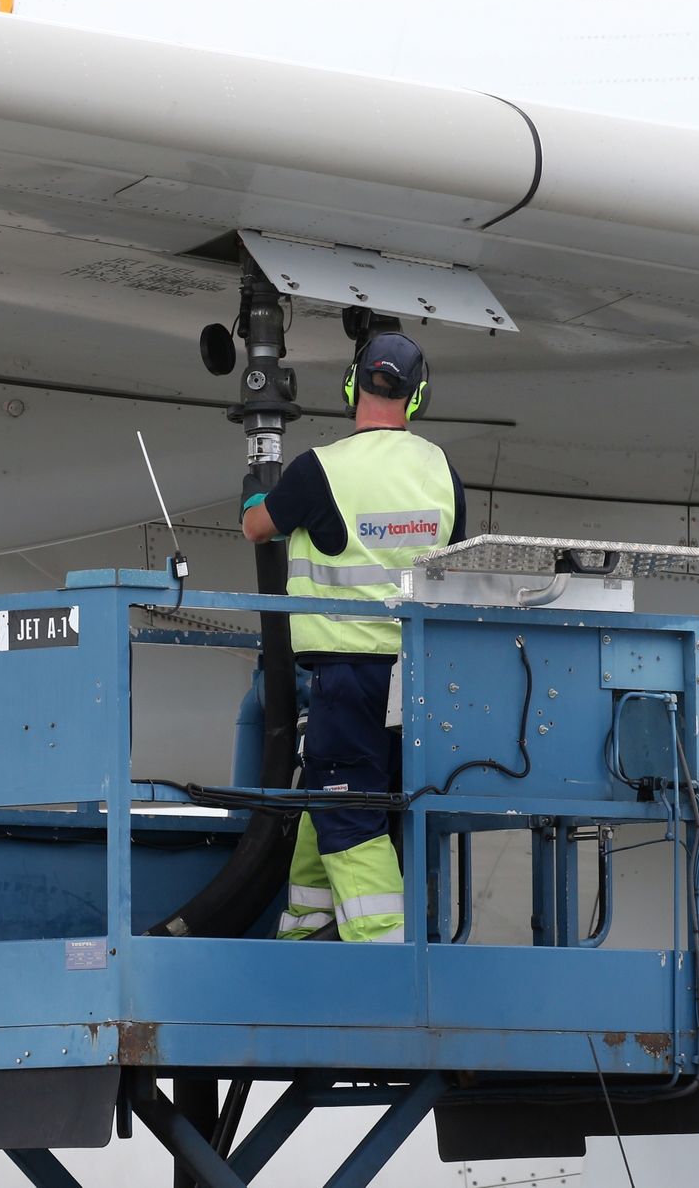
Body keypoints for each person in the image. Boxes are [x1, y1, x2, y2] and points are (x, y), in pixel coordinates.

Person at [241, 330, 463, 943]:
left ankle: (384, 955)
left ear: (351, 384)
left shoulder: (322, 469)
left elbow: (257, 527)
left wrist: (265, 494)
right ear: (416, 399)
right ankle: (307, 928)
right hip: (420, 680)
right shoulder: (441, 471)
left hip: (348, 676)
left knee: (349, 813)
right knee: (339, 796)